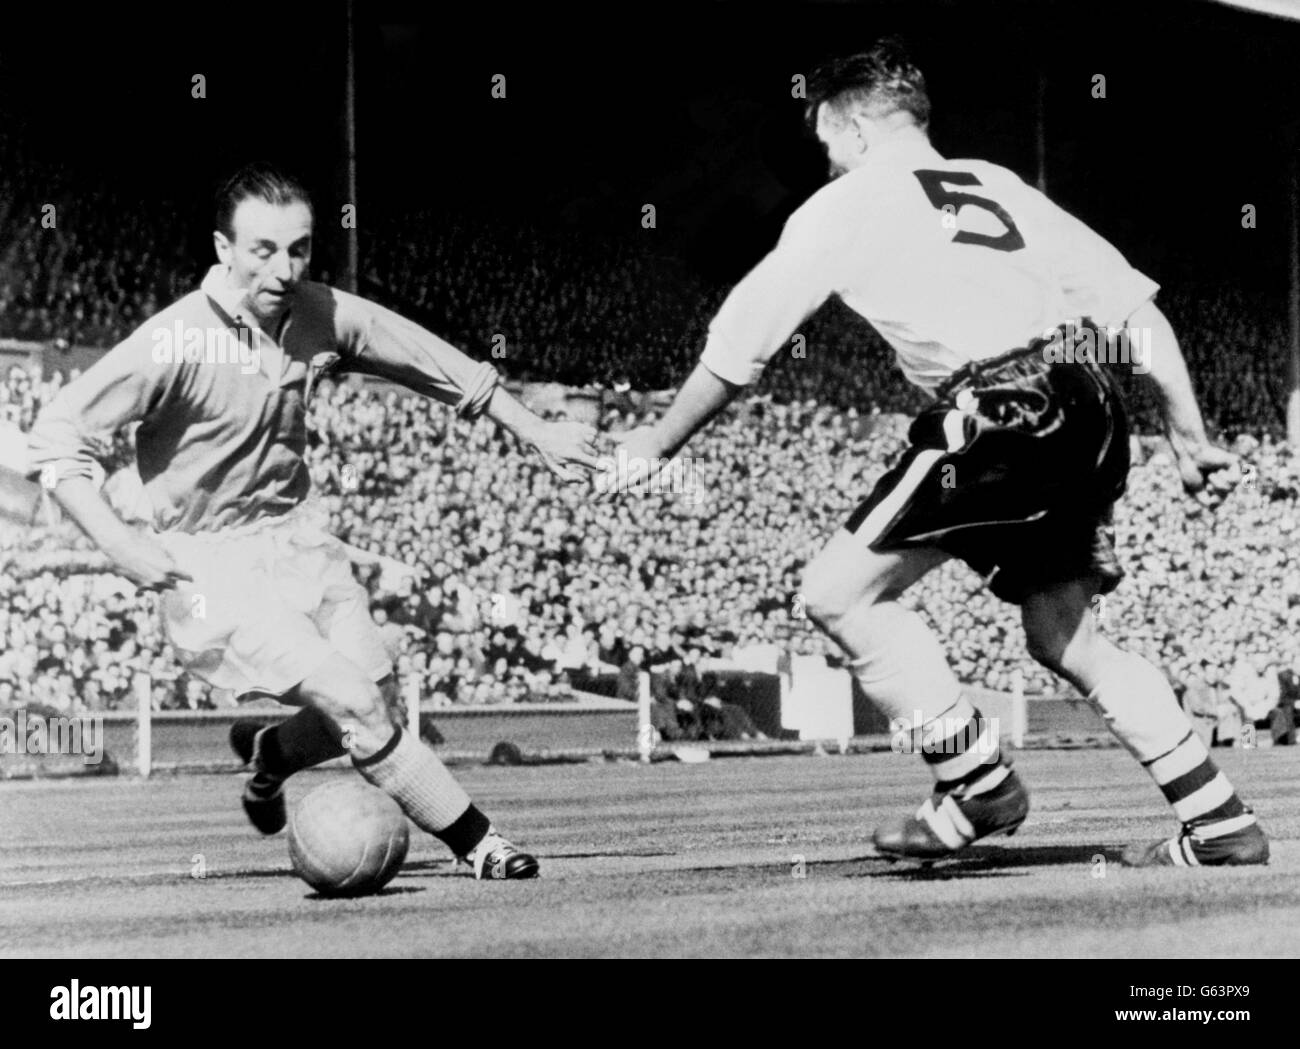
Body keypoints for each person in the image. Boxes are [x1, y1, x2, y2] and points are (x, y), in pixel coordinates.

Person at [603, 39, 1267, 867]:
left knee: (839, 594)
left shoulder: (841, 207)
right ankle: (1220, 821)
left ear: (850, 129)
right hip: (1093, 404)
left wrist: (655, 443)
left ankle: (974, 780)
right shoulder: (997, 186)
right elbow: (1136, 313)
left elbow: (741, 346)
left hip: (998, 405)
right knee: (1066, 636)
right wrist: (1188, 434)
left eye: (826, 144)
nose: (829, 160)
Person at [27, 163, 601, 880]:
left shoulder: (323, 312)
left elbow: (442, 366)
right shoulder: (174, 338)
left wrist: (540, 432)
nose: (284, 266)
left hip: (299, 539)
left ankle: (271, 752)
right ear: (223, 248)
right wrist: (118, 541)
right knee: (356, 701)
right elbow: (54, 436)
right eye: (263, 249)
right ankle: (481, 844)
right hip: (208, 562)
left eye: (298, 248)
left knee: (371, 691)